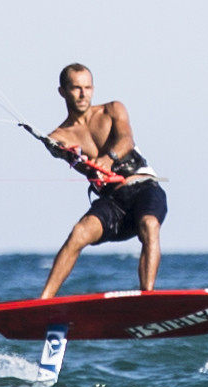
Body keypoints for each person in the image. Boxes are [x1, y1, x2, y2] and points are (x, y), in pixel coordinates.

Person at [33, 61, 170, 298]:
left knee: (149, 224)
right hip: (113, 202)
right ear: (62, 92)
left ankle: (147, 298)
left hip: (142, 188)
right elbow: (61, 150)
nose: (83, 94)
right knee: (79, 233)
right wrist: (63, 151)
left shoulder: (113, 110)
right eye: (76, 88)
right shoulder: (59, 136)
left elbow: (126, 139)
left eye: (87, 87)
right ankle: (43, 301)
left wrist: (108, 159)